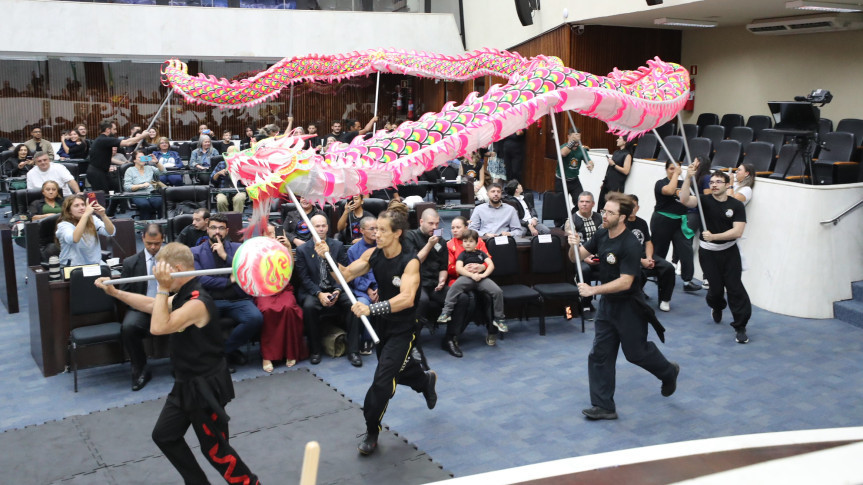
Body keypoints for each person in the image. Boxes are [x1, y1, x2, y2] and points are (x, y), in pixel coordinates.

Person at [94, 243, 260, 485]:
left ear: (178, 269)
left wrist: (162, 287)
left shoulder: (197, 302)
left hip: (206, 387)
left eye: (162, 271)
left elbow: (159, 326)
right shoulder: (183, 294)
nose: (158, 276)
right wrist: (117, 293)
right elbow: (152, 306)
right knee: (165, 436)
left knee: (216, 451)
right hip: (186, 384)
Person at [315, 209, 437, 455]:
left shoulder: (410, 261)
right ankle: (424, 380)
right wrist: (325, 257)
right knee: (395, 372)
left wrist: (371, 309)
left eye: (382, 230)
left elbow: (406, 298)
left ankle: (372, 431)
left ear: (397, 233)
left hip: (404, 328)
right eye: (375, 229)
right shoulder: (373, 253)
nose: (376, 233)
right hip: (382, 326)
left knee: (382, 381)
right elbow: (345, 275)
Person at [569, 192, 679, 421]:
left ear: (623, 217)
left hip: (630, 306)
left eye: (610, 212)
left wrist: (593, 290)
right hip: (609, 306)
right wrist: (572, 245)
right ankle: (604, 406)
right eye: (604, 211)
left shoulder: (630, 244)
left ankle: (668, 371)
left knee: (636, 354)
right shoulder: (601, 234)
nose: (604, 216)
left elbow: (626, 281)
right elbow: (576, 258)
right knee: (599, 354)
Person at [679, 164, 751, 344]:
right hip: (708, 254)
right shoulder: (704, 201)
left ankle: (740, 326)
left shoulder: (736, 205)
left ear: (728, 184)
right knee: (716, 290)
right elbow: (684, 200)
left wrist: (714, 236)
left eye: (719, 181)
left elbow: (738, 232)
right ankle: (717, 306)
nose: (714, 185)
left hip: (729, 252)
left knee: (735, 288)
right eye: (711, 182)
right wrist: (688, 177)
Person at [191, 213, 264, 370]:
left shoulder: (239, 249)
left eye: (221, 228)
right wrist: (228, 281)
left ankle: (222, 353)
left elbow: (248, 271)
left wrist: (225, 256)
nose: (217, 231)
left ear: (227, 230)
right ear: (207, 230)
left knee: (255, 318)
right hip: (211, 301)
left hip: (238, 299)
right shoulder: (194, 252)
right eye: (213, 228)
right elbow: (201, 280)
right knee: (195, 321)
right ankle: (227, 353)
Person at [295, 214, 362, 367]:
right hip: (314, 291)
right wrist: (319, 294)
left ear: (328, 227)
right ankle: (315, 350)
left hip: (335, 288)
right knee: (309, 307)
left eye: (323, 225)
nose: (321, 228)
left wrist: (338, 290)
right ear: (311, 228)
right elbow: (304, 279)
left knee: (354, 304)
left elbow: (345, 272)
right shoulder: (302, 250)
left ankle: (353, 351)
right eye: (317, 226)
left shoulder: (337, 246)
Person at [404, 209, 467, 357]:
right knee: (422, 301)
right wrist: (429, 245)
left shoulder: (441, 240)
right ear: (421, 222)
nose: (434, 227)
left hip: (434, 283)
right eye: (431, 223)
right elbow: (414, 262)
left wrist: (442, 279)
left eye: (437, 223)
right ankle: (412, 343)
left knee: (461, 298)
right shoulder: (410, 237)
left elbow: (443, 266)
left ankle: (450, 338)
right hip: (416, 282)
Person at [116, 223, 165, 391]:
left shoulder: (171, 260)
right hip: (141, 308)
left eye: (157, 243)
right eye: (149, 243)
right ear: (142, 238)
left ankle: (183, 364)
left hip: (167, 305)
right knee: (128, 328)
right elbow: (124, 293)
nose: (153, 247)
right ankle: (139, 367)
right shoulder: (130, 262)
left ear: (163, 240)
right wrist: (143, 305)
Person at [256, 225, 307, 372]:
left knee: (289, 308)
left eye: (274, 233)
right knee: (266, 310)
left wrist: (288, 247)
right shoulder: (256, 250)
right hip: (263, 290)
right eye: (268, 233)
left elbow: (290, 271)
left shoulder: (284, 248)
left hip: (283, 288)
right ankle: (268, 355)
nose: (272, 236)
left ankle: (289, 352)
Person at [437, 229, 507, 331]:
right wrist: (471, 275)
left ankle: (499, 319)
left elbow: (491, 265)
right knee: (454, 288)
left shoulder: (481, 253)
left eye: (470, 241)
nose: (467, 244)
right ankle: (446, 312)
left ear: (476, 243)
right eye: (465, 241)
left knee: (498, 291)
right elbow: (458, 268)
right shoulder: (462, 254)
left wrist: (483, 275)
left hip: (481, 278)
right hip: (466, 278)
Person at [650, 161, 702, 292]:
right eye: (671, 169)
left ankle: (687, 280)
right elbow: (669, 191)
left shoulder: (683, 183)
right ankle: (657, 274)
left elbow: (686, 198)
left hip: (680, 221)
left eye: (676, 169)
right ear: (666, 169)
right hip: (662, 220)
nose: (674, 171)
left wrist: (688, 177)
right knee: (660, 250)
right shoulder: (660, 183)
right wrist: (676, 174)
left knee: (686, 249)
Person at [447, 216, 498, 347]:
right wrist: (464, 270)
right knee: (466, 299)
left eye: (458, 227)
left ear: (466, 228)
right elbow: (449, 268)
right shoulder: (449, 244)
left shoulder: (478, 241)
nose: (454, 230)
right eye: (452, 228)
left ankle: (492, 332)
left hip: (480, 278)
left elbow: (488, 260)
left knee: (489, 296)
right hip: (460, 279)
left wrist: (481, 267)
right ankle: (454, 335)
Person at [625, 195, 676, 312]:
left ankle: (665, 299)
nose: (631, 208)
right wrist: (641, 261)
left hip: (644, 255)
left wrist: (648, 257)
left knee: (668, 267)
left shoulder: (642, 222)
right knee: (638, 271)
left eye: (634, 206)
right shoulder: (620, 224)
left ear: (637, 208)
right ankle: (635, 298)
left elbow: (648, 242)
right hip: (628, 257)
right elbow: (621, 249)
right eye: (628, 206)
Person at [87, 120, 148, 206]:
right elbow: (128, 142)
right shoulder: (104, 139)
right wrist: (142, 136)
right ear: (108, 130)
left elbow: (107, 157)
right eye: (114, 129)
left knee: (117, 189)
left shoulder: (102, 140)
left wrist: (122, 162)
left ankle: (111, 213)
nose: (116, 132)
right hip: (97, 173)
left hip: (102, 171)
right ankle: (98, 217)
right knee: (101, 199)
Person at [346, 216, 378, 355]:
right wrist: (369, 289)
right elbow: (353, 276)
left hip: (381, 287)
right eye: (372, 229)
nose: (376, 232)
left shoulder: (383, 246)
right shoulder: (353, 251)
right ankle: (367, 339)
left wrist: (380, 289)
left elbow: (388, 270)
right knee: (363, 304)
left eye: (377, 228)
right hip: (363, 290)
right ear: (362, 230)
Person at [56, 194, 115, 266]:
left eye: (83, 205)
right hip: (73, 267)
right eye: (76, 206)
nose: (81, 208)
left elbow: (110, 232)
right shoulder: (64, 226)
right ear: (69, 211)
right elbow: (74, 239)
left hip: (95, 264)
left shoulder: (92, 219)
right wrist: (85, 215)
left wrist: (103, 215)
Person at [555, 131, 593, 212]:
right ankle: (560, 223)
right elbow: (563, 153)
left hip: (574, 181)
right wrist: (573, 142)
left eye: (578, 138)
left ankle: (573, 217)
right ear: (568, 136)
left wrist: (591, 165)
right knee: (560, 204)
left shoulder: (581, 150)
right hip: (561, 180)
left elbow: (589, 161)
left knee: (581, 201)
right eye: (574, 138)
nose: (577, 141)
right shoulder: (563, 147)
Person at [123, 150, 165, 220]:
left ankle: (162, 225)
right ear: (134, 160)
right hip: (138, 194)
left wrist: (157, 162)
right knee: (144, 205)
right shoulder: (130, 170)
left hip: (151, 193)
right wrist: (141, 186)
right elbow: (127, 187)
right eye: (140, 157)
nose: (143, 159)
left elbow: (163, 172)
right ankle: (145, 227)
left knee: (160, 203)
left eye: (144, 157)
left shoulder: (149, 167)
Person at [598, 135, 633, 211]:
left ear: (625, 141)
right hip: (607, 183)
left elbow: (626, 171)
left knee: (611, 207)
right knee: (601, 206)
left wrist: (614, 165)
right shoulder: (616, 152)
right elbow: (609, 169)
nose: (617, 140)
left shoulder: (627, 155)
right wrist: (604, 182)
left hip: (616, 185)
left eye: (619, 138)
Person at [211, 146, 247, 213]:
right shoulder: (221, 164)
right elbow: (212, 180)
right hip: (222, 191)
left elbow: (248, 181)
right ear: (227, 155)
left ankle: (237, 219)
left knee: (239, 199)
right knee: (221, 201)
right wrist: (218, 173)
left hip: (239, 191)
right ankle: (224, 219)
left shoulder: (243, 164)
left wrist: (241, 173)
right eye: (231, 155)